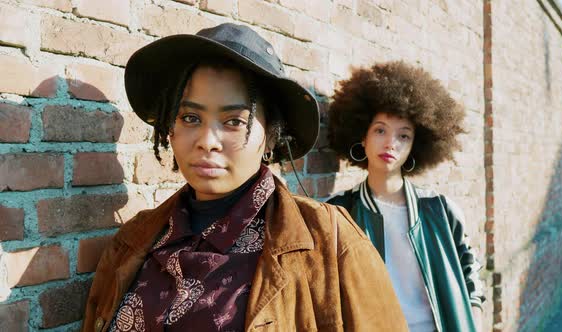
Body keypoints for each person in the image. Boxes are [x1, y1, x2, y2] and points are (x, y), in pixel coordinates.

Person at [82, 23, 408, 332]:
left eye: (235, 121)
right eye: (190, 117)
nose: (207, 140)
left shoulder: (332, 243)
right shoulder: (132, 241)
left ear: (270, 137)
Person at [327, 61, 486, 332]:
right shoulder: (339, 212)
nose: (391, 143)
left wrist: (474, 321)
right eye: (380, 130)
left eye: (404, 136)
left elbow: (470, 273)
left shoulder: (439, 209)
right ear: (362, 137)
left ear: (415, 146)